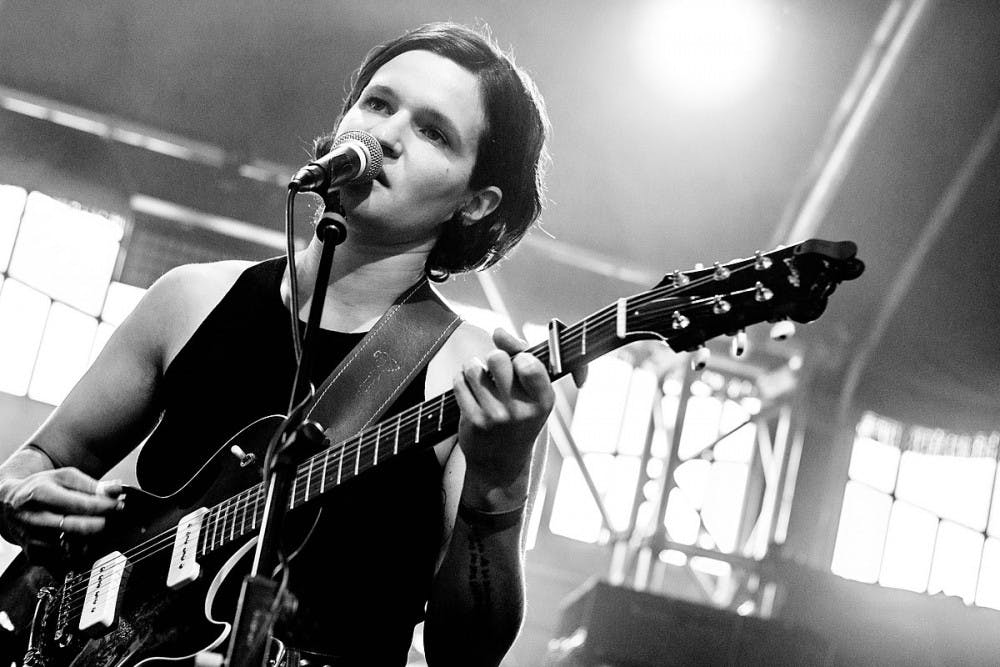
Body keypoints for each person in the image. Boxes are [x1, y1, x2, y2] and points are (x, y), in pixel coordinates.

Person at [0, 21, 564, 666]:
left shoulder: (478, 376)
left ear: (476, 203)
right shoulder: (190, 299)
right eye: (378, 103)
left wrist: (498, 482)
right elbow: (38, 458)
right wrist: (18, 494)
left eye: (433, 131)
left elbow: (467, 654)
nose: (384, 134)